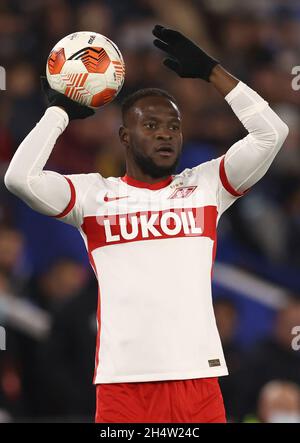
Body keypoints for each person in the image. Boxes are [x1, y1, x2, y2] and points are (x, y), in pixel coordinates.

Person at [4, 25, 289, 423]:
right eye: (151, 126)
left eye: (173, 127)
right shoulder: (93, 196)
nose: (165, 135)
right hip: (124, 386)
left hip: (199, 381)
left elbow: (272, 133)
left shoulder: (205, 186)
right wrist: (60, 112)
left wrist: (213, 73)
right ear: (124, 135)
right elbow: (19, 178)